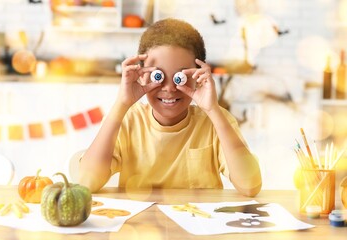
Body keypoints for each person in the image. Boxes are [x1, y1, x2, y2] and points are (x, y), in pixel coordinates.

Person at [79, 18, 262, 197]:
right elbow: (87, 181)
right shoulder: (127, 120)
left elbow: (249, 186)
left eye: (179, 77)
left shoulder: (216, 121)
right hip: (142, 223)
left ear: (198, 77)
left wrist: (213, 109)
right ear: (141, 75)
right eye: (158, 76)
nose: (169, 88)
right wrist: (122, 103)